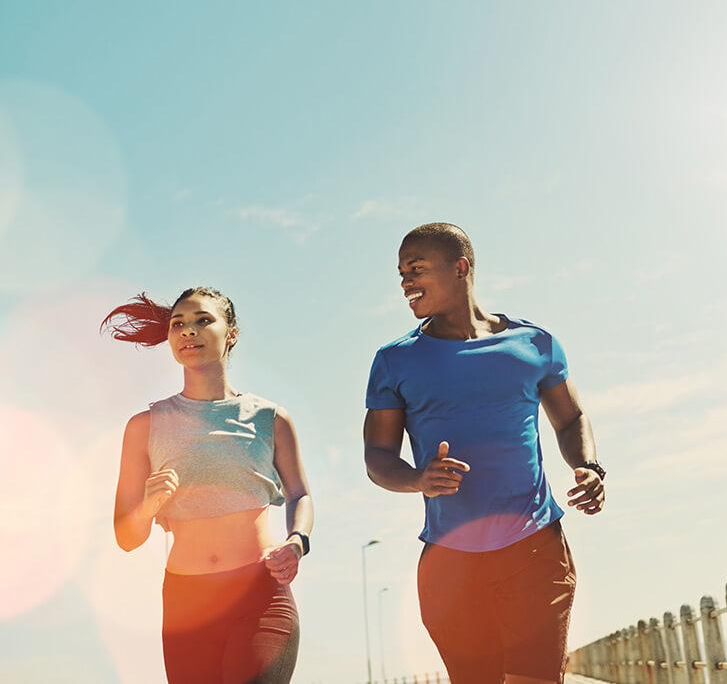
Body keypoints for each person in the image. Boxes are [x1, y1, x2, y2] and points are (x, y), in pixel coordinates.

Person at [363, 223, 604, 684]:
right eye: (400, 274)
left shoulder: (534, 344)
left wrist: (587, 466)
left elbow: (571, 419)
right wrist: (417, 479)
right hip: (450, 562)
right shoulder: (395, 360)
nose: (405, 282)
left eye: (416, 269)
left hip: (534, 546)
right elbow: (377, 454)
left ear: (460, 268)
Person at [106, 286, 313, 684]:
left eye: (203, 320)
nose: (188, 332)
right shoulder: (144, 427)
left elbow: (300, 494)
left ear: (231, 333)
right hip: (187, 604)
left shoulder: (270, 418)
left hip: (259, 594)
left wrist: (297, 540)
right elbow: (126, 537)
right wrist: (149, 506)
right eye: (178, 324)